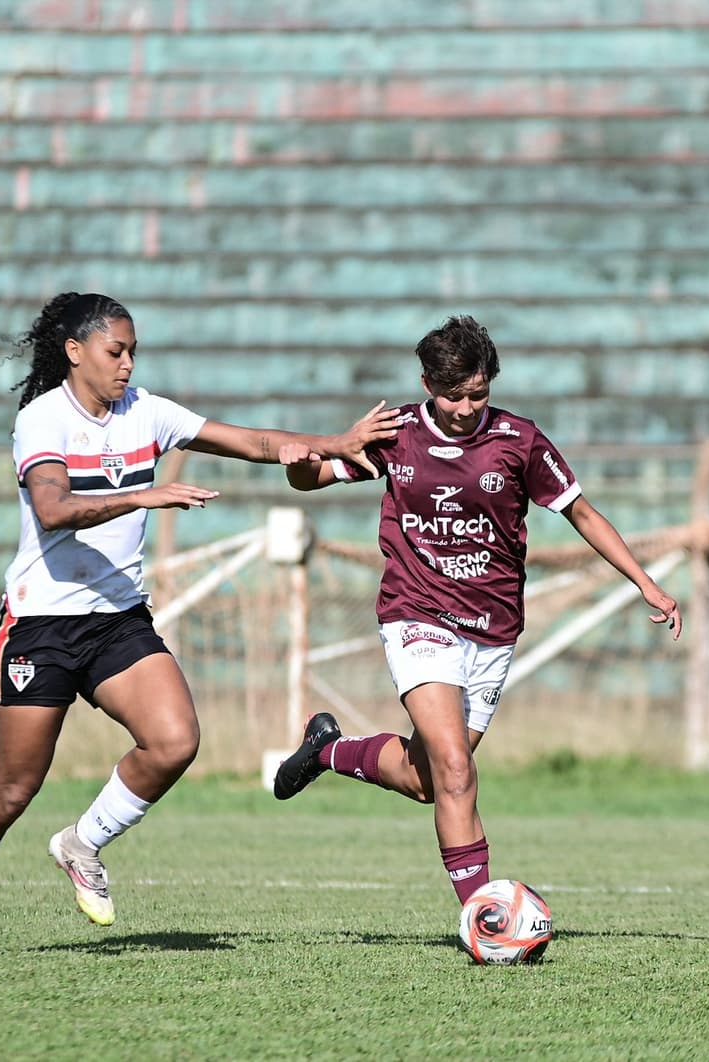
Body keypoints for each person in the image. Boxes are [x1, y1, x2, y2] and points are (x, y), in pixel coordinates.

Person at [0, 291, 402, 958]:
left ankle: (82, 842)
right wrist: (146, 494)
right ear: (75, 351)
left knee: (174, 741)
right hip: (40, 626)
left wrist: (335, 443)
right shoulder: (42, 419)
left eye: (133, 352)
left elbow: (253, 442)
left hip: (116, 619)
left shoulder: (146, 411)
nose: (127, 364)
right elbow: (53, 509)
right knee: (12, 789)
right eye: (115, 351)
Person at [273, 314, 682, 907]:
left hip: (492, 628)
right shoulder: (396, 433)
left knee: (429, 779)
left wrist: (646, 582)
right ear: (426, 384)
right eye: (452, 395)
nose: (466, 408)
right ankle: (485, 918)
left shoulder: (520, 441)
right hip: (417, 613)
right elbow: (311, 479)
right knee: (457, 771)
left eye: (478, 394)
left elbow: (582, 513)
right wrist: (296, 461)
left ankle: (327, 749)